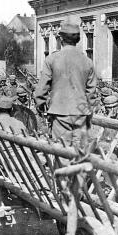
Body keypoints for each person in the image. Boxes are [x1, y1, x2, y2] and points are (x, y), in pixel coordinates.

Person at [33, 18, 97, 148]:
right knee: (80, 153)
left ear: (61, 39)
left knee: (62, 152)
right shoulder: (88, 62)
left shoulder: (51, 59)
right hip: (81, 114)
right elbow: (91, 93)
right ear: (78, 40)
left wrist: (40, 105)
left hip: (60, 113)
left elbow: (41, 90)